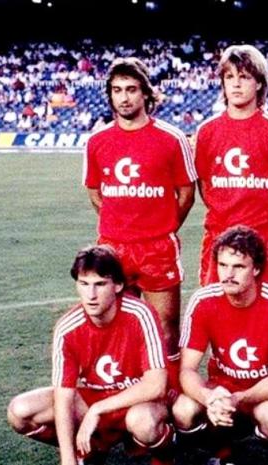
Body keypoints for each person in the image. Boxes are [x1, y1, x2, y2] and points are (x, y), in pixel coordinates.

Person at [7, 246, 174, 465]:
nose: (91, 295)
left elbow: (156, 386)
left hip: (136, 402)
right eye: (84, 284)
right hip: (92, 399)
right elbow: (63, 398)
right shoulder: (67, 328)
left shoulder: (140, 314)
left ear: (118, 285)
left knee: (144, 422)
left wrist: (98, 409)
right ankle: (92, 448)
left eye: (100, 284)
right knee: (19, 411)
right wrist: (68, 459)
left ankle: (165, 456)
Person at [82, 57, 197, 362]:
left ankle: (170, 387)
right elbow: (94, 193)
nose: (124, 97)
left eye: (131, 89)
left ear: (145, 92)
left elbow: (187, 194)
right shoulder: (97, 141)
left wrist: (163, 226)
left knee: (166, 329)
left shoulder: (171, 138)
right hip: (113, 247)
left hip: (157, 248)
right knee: (117, 325)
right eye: (117, 90)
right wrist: (119, 225)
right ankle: (127, 384)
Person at [173, 226, 268, 465]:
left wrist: (240, 398)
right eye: (223, 265)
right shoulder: (203, 300)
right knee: (183, 409)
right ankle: (222, 454)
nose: (228, 274)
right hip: (223, 386)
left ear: (256, 269)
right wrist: (208, 397)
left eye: (239, 267)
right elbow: (187, 370)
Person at [194, 45, 268, 286]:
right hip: (219, 238)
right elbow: (204, 184)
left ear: (259, 83)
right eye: (229, 77)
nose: (236, 84)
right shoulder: (206, 131)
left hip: (265, 239)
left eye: (244, 76)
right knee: (216, 306)